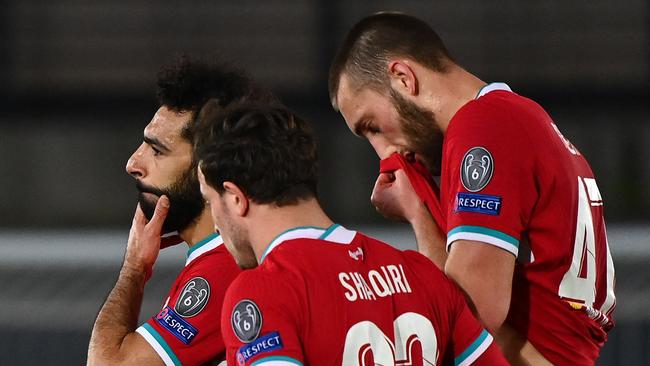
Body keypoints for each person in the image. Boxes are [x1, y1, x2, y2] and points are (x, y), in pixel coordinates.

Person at [328, 12, 616, 365]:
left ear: (403, 78)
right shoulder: (521, 117)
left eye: (372, 126)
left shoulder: (484, 126)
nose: (385, 152)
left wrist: (418, 215)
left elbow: (469, 315)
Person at [193, 103, 508, 366]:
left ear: (235, 197)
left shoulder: (263, 292)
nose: (216, 224)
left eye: (210, 202)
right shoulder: (423, 276)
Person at [88, 58, 275, 366]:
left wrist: (133, 270)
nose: (133, 163)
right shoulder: (226, 258)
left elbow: (108, 363)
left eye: (157, 150)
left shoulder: (224, 268)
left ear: (208, 168)